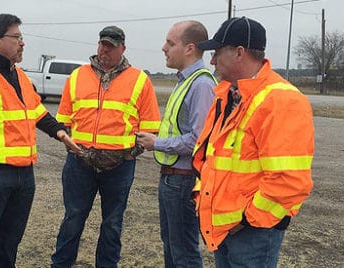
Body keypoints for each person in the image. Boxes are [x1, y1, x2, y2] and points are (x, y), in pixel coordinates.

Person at [0, 13, 79, 268]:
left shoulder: (18, 75)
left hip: (23, 175)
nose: (22, 43)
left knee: (9, 243)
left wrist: (61, 133)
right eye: (17, 37)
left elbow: (37, 112)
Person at [191, 17, 315, 267]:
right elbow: (210, 158)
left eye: (216, 53)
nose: (212, 61)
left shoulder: (281, 101)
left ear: (239, 53)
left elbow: (289, 180)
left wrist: (248, 219)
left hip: (253, 233)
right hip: (224, 228)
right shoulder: (226, 95)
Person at [51, 25, 161, 267]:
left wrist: (130, 153)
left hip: (119, 167)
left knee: (112, 224)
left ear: (123, 48)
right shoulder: (77, 76)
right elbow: (63, 120)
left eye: (111, 46)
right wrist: (72, 146)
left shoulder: (140, 80)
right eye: (102, 44)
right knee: (72, 219)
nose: (105, 50)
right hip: (79, 164)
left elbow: (151, 126)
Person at [134, 20, 217, 268]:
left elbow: (198, 140)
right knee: (172, 245)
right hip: (173, 178)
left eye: (170, 43)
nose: (163, 48)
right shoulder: (185, 81)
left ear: (190, 48)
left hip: (184, 180)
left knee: (183, 252)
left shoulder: (201, 84)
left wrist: (157, 143)